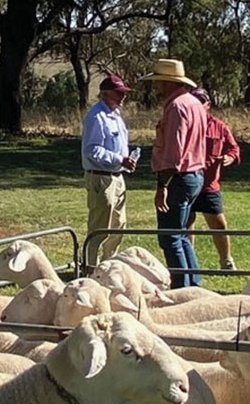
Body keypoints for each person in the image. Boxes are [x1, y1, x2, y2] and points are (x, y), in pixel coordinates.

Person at [142, 58, 207, 288]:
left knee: (170, 237)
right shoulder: (194, 103)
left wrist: (163, 186)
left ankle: (181, 287)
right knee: (180, 234)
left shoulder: (176, 107)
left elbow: (173, 153)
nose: (155, 85)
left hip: (179, 177)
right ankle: (193, 284)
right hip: (194, 174)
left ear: (168, 82)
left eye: (158, 80)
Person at [81, 73, 138, 267]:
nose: (123, 96)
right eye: (118, 92)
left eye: (124, 92)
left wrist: (127, 160)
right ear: (105, 93)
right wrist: (120, 159)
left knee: (119, 225)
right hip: (101, 178)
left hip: (118, 176)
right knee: (100, 227)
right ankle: (90, 266)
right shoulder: (96, 116)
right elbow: (91, 149)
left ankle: (108, 264)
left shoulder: (116, 115)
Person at [186, 87, 241, 271]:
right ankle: (189, 262)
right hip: (187, 181)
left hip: (209, 185)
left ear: (208, 104)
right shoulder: (184, 124)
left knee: (218, 224)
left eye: (201, 102)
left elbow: (233, 149)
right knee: (186, 223)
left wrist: (229, 158)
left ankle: (226, 261)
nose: (197, 105)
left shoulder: (219, 126)